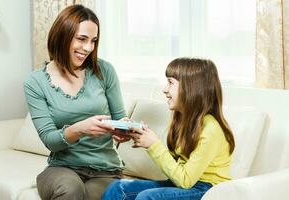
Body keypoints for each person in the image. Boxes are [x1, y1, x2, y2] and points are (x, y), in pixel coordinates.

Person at [24, 4, 130, 200]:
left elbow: (119, 116)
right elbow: (50, 140)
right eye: (82, 39)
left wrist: (125, 128)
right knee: (70, 191)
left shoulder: (104, 71)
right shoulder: (35, 82)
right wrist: (80, 128)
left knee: (91, 196)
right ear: (62, 35)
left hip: (105, 170)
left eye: (93, 41)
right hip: (62, 167)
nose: (88, 48)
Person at [102, 57, 236, 200]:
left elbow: (185, 180)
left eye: (170, 83)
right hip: (186, 185)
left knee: (148, 197)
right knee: (118, 188)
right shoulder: (183, 120)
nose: (164, 89)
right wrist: (142, 138)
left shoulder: (211, 129)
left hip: (210, 190)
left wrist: (154, 145)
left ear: (191, 88)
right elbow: (176, 172)